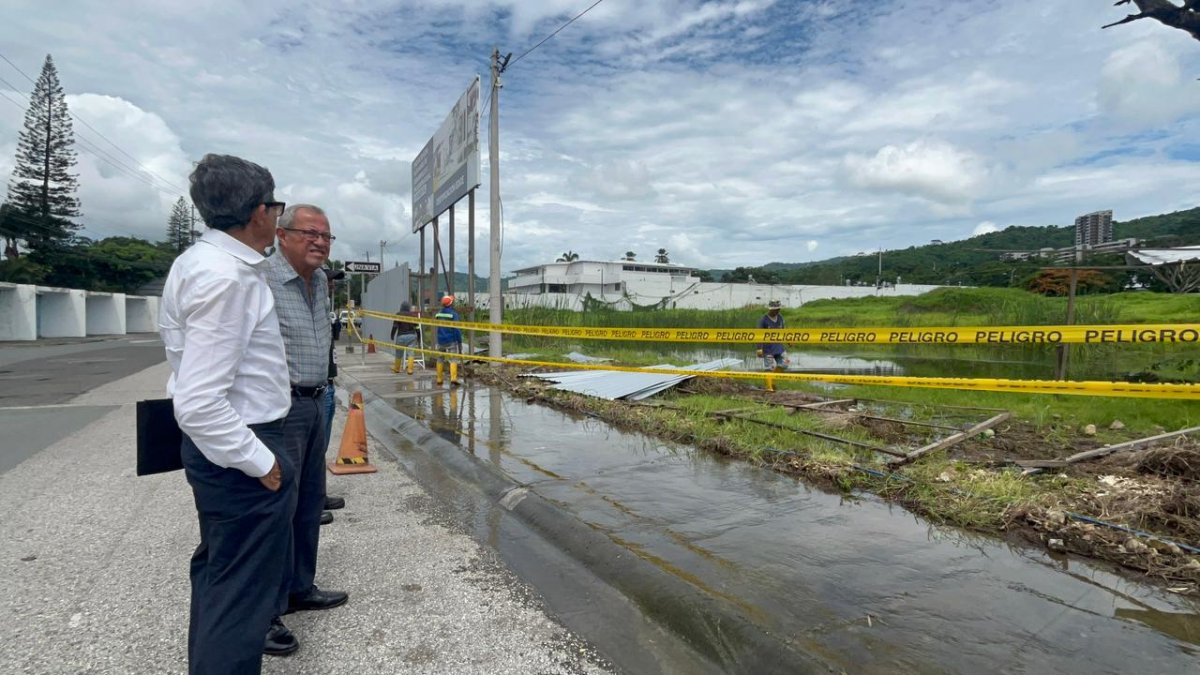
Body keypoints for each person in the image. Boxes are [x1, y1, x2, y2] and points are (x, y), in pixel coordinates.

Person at [159, 153, 294, 674]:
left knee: (221, 575)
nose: (276, 217)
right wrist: (260, 461)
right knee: (242, 594)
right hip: (241, 451)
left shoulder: (199, 263)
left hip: (227, 449)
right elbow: (198, 401)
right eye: (275, 207)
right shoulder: (227, 278)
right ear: (259, 212)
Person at [263, 204, 349, 656]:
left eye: (326, 236)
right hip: (280, 408)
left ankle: (300, 587)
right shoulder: (261, 281)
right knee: (275, 508)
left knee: (309, 502)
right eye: (310, 233)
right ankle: (266, 611)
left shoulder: (319, 283)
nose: (320, 242)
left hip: (316, 401)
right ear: (282, 235)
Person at [756, 300, 788, 372]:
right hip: (768, 349)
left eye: (779, 309)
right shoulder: (763, 320)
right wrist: (759, 348)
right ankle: (769, 378)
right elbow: (758, 335)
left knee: (785, 364)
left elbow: (784, 330)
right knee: (769, 368)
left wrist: (789, 341)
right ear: (771, 309)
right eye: (776, 309)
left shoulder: (780, 317)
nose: (778, 311)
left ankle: (776, 375)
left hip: (779, 348)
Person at [390, 301, 420, 373]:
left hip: (401, 336)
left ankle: (397, 368)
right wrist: (419, 337)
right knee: (411, 353)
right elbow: (417, 328)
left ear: (401, 307)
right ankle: (410, 369)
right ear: (409, 308)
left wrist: (392, 335)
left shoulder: (398, 315)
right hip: (411, 337)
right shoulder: (413, 315)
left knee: (398, 353)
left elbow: (395, 327)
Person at [434, 295, 463, 365]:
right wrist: (459, 341)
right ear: (451, 304)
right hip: (451, 340)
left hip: (440, 340)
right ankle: (453, 373)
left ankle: (439, 373)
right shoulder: (454, 314)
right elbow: (457, 329)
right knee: (453, 359)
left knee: (440, 358)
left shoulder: (438, 314)